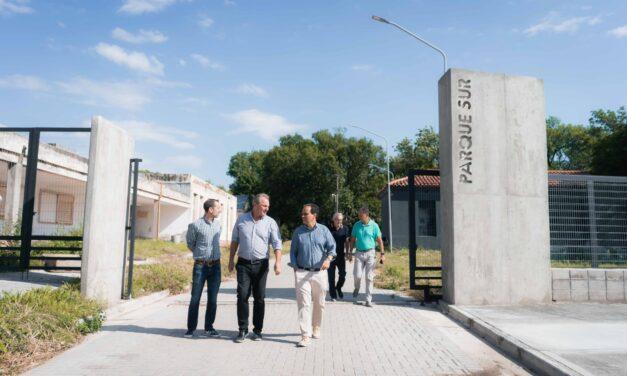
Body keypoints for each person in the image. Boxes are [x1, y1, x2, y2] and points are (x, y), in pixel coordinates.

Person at [229, 193, 282, 343]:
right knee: (242, 295)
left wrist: (278, 262)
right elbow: (234, 241)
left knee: (259, 298)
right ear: (256, 205)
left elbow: (277, 244)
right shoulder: (241, 220)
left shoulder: (270, 222)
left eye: (268, 207)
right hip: (243, 264)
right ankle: (242, 329)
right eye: (264, 206)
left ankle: (257, 331)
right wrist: (230, 260)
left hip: (261, 265)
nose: (266, 209)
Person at [290, 203, 336, 347]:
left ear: (314, 215)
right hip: (302, 272)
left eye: (305, 214)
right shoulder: (298, 232)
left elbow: (332, 248)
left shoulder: (324, 230)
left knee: (320, 303)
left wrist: (328, 260)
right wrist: (295, 267)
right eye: (302, 214)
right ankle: (305, 335)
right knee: (303, 304)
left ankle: (316, 327)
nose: (302, 216)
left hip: (320, 273)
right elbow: (293, 252)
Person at [185, 199, 223, 338]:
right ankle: (191, 328)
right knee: (195, 298)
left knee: (213, 299)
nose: (220, 210)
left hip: (216, 266)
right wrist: (200, 255)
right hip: (200, 266)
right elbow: (190, 243)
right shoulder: (195, 225)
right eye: (218, 208)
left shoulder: (218, 225)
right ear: (210, 210)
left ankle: (209, 328)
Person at [348, 206, 385, 307]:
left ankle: (368, 299)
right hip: (359, 253)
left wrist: (382, 254)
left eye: (361, 216)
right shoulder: (356, 225)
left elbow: (380, 241)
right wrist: (350, 253)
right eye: (359, 215)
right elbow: (352, 240)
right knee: (357, 275)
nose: (359, 217)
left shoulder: (374, 226)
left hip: (370, 253)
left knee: (369, 277)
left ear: (367, 215)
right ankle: (357, 287)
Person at [327, 212, 350, 300]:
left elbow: (347, 241)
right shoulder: (328, 228)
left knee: (342, 275)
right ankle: (333, 295)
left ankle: (339, 287)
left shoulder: (345, 229)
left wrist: (347, 253)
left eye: (340, 220)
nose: (339, 221)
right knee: (331, 277)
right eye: (337, 220)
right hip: (330, 257)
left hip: (341, 256)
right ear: (333, 220)